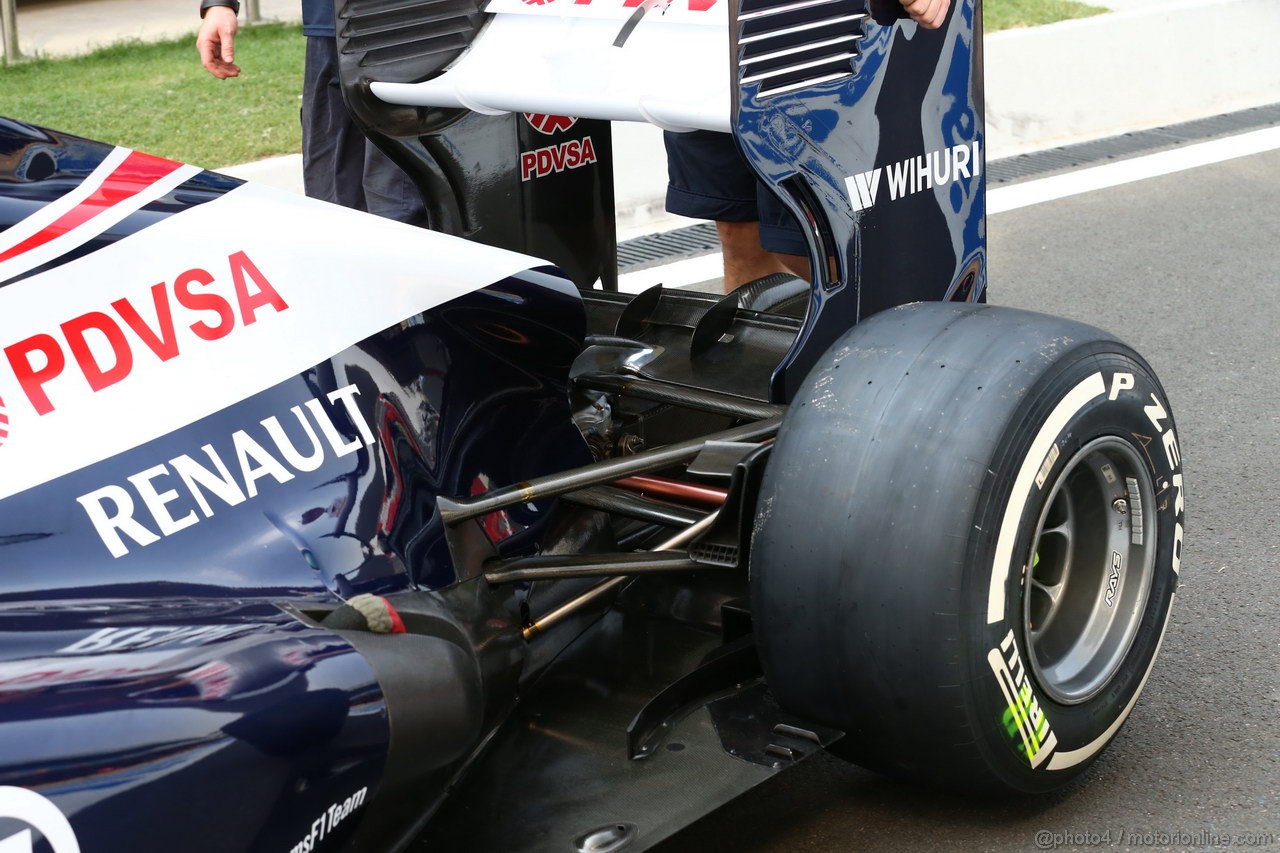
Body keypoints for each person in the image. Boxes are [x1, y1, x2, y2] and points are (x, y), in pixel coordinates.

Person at [664, 0, 951, 292]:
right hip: (706, 29)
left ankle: (906, 333)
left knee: (817, 248)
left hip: (826, 30)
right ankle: (764, 335)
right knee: (738, 228)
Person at [195, 0, 427, 225]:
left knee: (399, 208)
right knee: (329, 201)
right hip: (329, 25)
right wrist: (220, 4)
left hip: (422, 24)